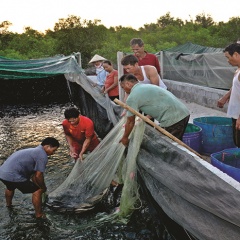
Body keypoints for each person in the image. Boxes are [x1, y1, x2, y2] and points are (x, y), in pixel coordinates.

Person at [119, 74, 190, 146]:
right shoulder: (146, 86)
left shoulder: (132, 97)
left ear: (128, 84)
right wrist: (146, 117)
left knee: (169, 147)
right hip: (184, 113)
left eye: (123, 87)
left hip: (173, 119)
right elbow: (157, 104)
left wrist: (125, 137)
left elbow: (130, 122)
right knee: (175, 143)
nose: (123, 90)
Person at [0, 137, 59, 219]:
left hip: (3, 174)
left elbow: (34, 176)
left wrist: (37, 184)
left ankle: (8, 205)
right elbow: (38, 176)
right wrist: (42, 188)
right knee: (37, 191)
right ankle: (39, 214)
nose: (53, 153)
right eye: (54, 150)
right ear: (47, 146)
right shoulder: (42, 155)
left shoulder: (32, 151)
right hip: (14, 175)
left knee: (10, 187)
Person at [217, 42, 240, 147]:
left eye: (228, 57)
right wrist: (225, 97)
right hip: (236, 114)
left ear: (236, 54)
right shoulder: (238, 70)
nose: (228, 61)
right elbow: (236, 86)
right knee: (237, 142)